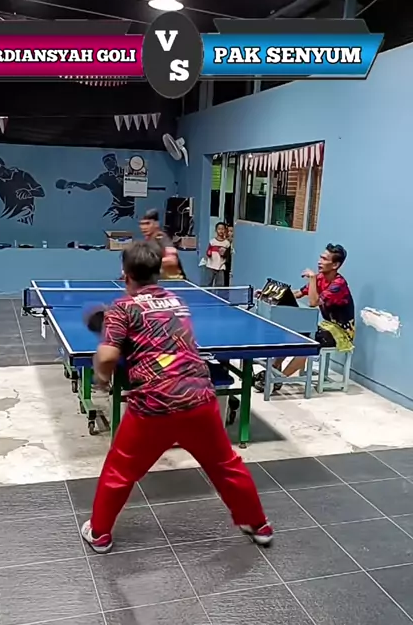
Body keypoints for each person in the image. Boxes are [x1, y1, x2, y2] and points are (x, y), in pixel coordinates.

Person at [81, 240, 273, 553]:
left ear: (125, 274)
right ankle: (259, 525)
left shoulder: (122, 308)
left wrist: (102, 377)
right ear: (157, 273)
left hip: (153, 406)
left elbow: (107, 356)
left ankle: (99, 533)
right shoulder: (176, 301)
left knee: (120, 470)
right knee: (226, 465)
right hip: (199, 398)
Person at [255, 243, 355, 392]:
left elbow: (313, 302)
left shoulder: (338, 285)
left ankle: (279, 380)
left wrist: (312, 279)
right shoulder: (320, 278)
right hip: (327, 326)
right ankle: (273, 371)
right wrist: (270, 294)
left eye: (324, 259)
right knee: (294, 334)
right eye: (320, 257)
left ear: (335, 265)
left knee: (308, 342)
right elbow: (298, 293)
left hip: (341, 333)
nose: (319, 261)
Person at [139, 208, 185, 280]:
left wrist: (147, 264)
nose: (144, 227)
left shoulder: (162, 238)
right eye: (142, 224)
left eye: (147, 223)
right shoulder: (148, 240)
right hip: (161, 280)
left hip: (174, 281)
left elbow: (172, 260)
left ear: (156, 224)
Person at [204, 221, 230, 287]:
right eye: (219, 229)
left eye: (222, 229)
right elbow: (208, 252)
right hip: (210, 266)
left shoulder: (227, 243)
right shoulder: (212, 242)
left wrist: (224, 254)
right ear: (216, 230)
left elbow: (227, 256)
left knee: (220, 286)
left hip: (221, 267)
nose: (221, 231)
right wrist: (209, 253)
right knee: (207, 284)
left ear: (225, 230)